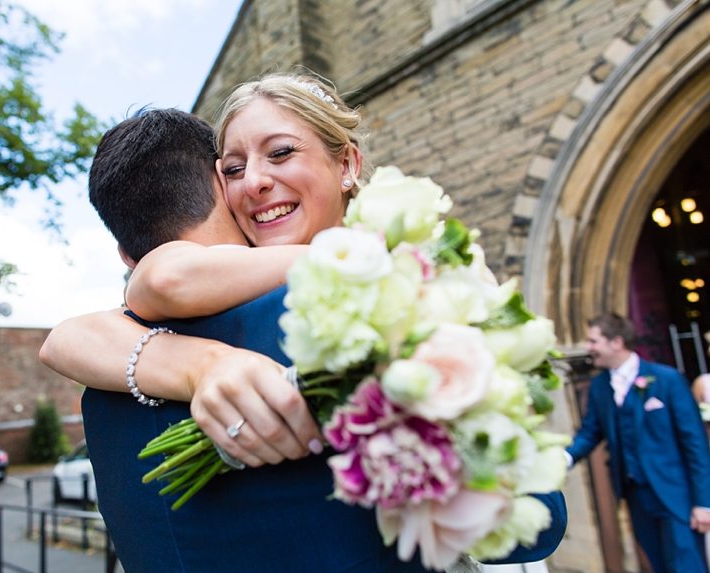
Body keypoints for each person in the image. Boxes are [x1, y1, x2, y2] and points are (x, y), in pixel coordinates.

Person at [41, 73, 566, 571]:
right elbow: (534, 526)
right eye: (233, 168)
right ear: (215, 188)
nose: (256, 182)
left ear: (347, 165)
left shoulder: (104, 382)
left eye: (282, 152)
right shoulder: (348, 319)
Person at [566, 313, 710, 573]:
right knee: (658, 565)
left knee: (686, 566)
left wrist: (704, 501)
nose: (588, 348)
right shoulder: (599, 387)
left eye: (593, 341)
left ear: (616, 342)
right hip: (635, 495)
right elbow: (590, 433)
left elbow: (695, 444)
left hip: (677, 494)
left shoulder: (667, 379)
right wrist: (563, 459)